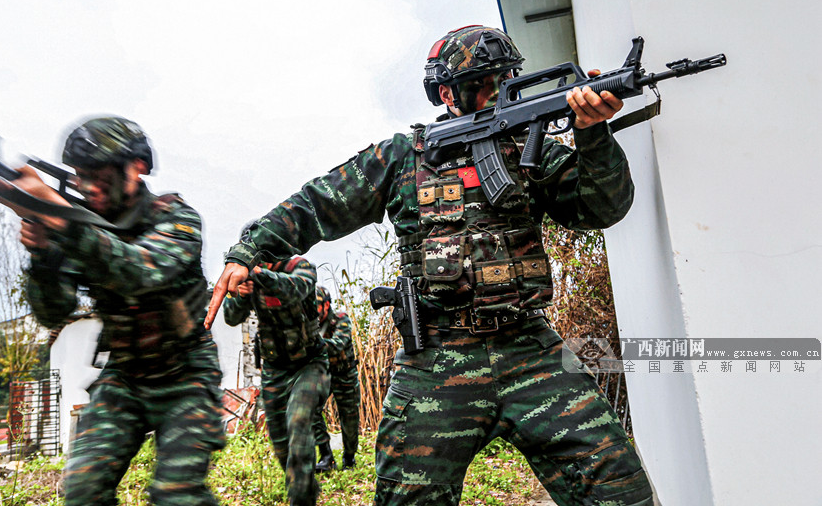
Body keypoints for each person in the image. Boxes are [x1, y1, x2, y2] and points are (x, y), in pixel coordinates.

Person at [205, 25, 654, 506]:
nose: (496, 93)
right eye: (484, 83)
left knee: (619, 489)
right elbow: (318, 203)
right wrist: (248, 251)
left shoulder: (534, 147)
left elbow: (602, 208)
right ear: (446, 92)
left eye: (506, 79)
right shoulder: (402, 157)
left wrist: (594, 136)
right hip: (436, 358)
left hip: (530, 349)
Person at [2, 116, 225, 506]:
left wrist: (63, 221)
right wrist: (42, 254)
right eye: (80, 177)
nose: (88, 189)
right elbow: (53, 311)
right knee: (83, 489)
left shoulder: (176, 219)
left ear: (136, 169)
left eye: (100, 178)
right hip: (124, 377)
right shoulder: (81, 226)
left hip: (186, 375)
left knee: (177, 495)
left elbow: (139, 271)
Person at [221, 254, 330, 506]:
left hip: (309, 364)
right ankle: (306, 485)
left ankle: (301, 500)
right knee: (281, 444)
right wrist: (241, 294)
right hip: (274, 369)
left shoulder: (300, 267)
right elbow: (230, 317)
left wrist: (257, 274)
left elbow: (295, 289)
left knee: (299, 420)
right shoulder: (249, 280)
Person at [311, 286, 360, 472]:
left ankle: (349, 458)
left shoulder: (341, 320)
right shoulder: (310, 324)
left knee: (349, 418)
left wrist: (311, 341)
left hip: (345, 374)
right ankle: (326, 456)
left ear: (327, 305)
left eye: (316, 305)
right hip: (324, 375)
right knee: (310, 408)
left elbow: (338, 344)